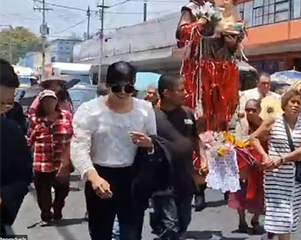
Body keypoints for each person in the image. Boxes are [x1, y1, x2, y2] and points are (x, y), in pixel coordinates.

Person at [71, 61, 157, 240]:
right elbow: (79, 147)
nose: (123, 93)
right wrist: (93, 177)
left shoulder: (145, 109)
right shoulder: (90, 110)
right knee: (100, 233)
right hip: (100, 175)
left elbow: (154, 141)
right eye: (118, 88)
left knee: (132, 233)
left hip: (132, 177)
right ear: (109, 85)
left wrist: (148, 143)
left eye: (129, 88)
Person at [175, 0, 243, 133]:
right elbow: (181, 33)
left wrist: (233, 39)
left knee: (221, 105)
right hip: (201, 65)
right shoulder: (191, 8)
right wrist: (200, 24)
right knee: (200, 104)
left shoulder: (218, 9)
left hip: (221, 62)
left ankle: (218, 135)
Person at [250, 89, 301, 240]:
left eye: (299, 103)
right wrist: (265, 156)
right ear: (285, 104)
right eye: (293, 102)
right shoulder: (273, 120)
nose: (296, 105)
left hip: (295, 177)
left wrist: (282, 159)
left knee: (290, 215)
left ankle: (275, 234)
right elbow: (253, 138)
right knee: (281, 215)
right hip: (275, 176)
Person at [151, 74, 205, 239]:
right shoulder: (152, 116)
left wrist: (203, 158)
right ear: (167, 93)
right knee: (170, 226)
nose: (185, 93)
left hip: (185, 178)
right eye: (181, 90)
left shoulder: (188, 114)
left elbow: (196, 139)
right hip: (162, 181)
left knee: (184, 221)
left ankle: (160, 225)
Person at [28, 89, 74, 224]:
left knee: (63, 189)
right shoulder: (35, 119)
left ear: (56, 102)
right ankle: (46, 211)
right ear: (41, 103)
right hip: (42, 161)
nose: (49, 103)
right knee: (42, 192)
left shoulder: (66, 116)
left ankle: (58, 208)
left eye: (52, 100)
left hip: (61, 160)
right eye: (45, 101)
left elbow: (74, 135)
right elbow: (30, 139)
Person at [0, 59, 33, 237]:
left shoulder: (10, 133)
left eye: (7, 104)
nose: (2, 110)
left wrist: (4, 198)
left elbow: (21, 177)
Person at [229, 99, 265, 234]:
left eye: (253, 110)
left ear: (259, 111)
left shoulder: (264, 125)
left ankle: (255, 219)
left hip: (259, 164)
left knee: (259, 192)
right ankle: (242, 220)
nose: (250, 113)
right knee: (240, 192)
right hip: (242, 163)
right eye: (248, 110)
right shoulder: (240, 124)